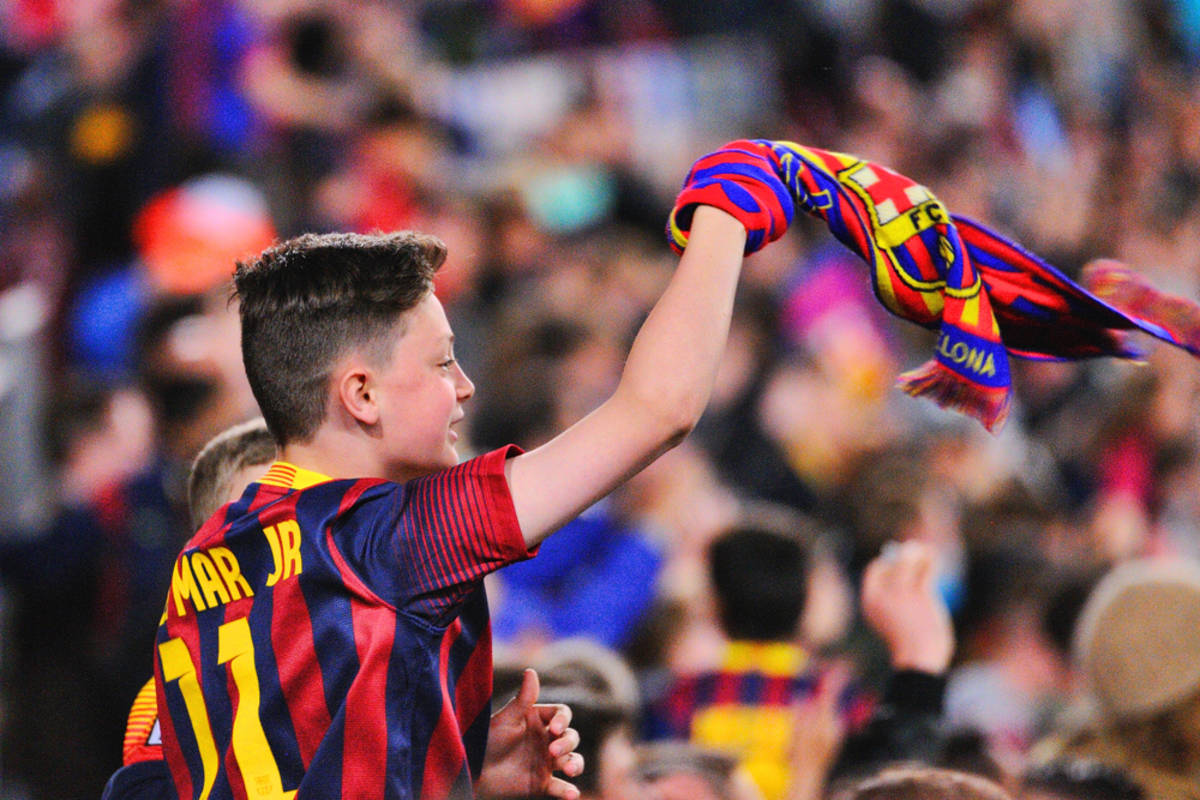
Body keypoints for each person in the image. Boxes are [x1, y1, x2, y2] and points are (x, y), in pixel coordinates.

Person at [152, 139, 800, 799]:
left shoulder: (202, 559)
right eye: (441, 362)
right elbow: (658, 411)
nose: (465, 385)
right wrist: (726, 214)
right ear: (362, 394)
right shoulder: (393, 536)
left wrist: (452, 771)